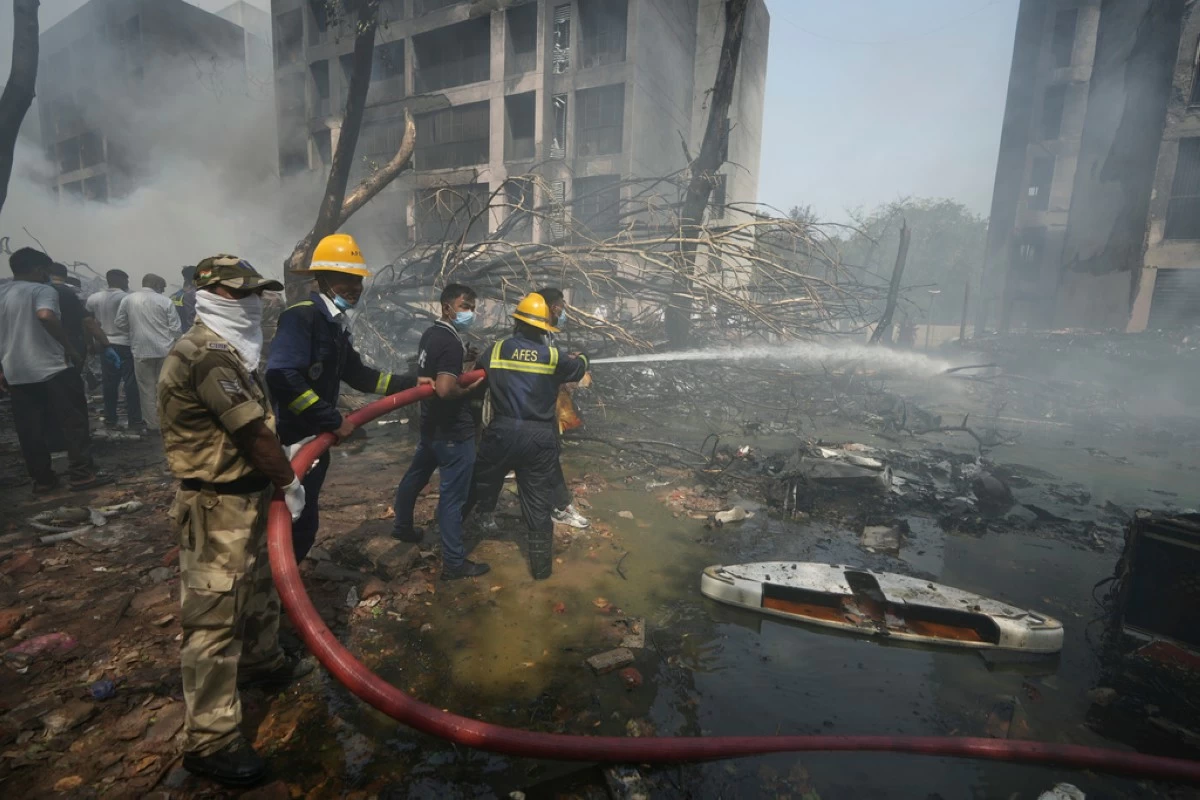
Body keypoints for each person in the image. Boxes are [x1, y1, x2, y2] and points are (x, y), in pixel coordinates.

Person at [158, 255, 310, 787]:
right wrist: (289, 480)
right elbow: (252, 435)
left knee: (259, 587)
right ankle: (211, 741)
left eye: (255, 294)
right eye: (239, 293)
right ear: (209, 293)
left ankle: (263, 662)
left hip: (245, 497)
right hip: (215, 502)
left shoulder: (232, 351)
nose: (251, 303)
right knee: (214, 620)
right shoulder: (205, 355)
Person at [266, 233, 419, 563]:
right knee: (291, 520)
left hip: (315, 439)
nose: (354, 288)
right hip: (291, 440)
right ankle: (272, 591)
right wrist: (332, 418)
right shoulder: (302, 316)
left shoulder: (334, 325)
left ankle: (281, 590)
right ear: (321, 279)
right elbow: (280, 375)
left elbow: (361, 375)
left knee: (305, 520)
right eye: (345, 279)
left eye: (358, 281)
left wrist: (412, 383)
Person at [465, 292, 589, 580]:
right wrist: (584, 356)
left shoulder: (495, 350)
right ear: (545, 328)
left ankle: (447, 546)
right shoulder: (554, 356)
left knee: (475, 486)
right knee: (536, 506)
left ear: (517, 324)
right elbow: (579, 369)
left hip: (501, 434)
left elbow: (475, 384)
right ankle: (541, 573)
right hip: (539, 439)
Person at [391, 283, 487, 579]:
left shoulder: (431, 334)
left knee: (415, 476)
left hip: (430, 426)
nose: (470, 312)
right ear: (447, 307)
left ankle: (402, 527)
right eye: (464, 306)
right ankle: (455, 563)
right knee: (452, 498)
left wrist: (460, 362)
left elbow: (430, 376)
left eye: (472, 307)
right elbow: (445, 389)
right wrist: (468, 387)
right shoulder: (449, 341)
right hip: (454, 432)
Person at [0, 248, 102, 492]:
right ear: (37, 269)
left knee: (30, 429)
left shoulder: (2, 292)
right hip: (52, 367)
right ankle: (81, 474)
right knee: (73, 422)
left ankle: (43, 480)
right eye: (45, 270)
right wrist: (68, 346)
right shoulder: (42, 290)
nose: (47, 275)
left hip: (16, 370)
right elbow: (45, 315)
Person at [535, 287, 590, 530]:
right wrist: (580, 361)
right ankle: (559, 507)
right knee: (548, 458)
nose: (563, 310)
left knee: (542, 459)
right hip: (537, 414)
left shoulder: (541, 335)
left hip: (536, 412)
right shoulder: (538, 337)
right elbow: (552, 366)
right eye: (561, 305)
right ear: (552, 307)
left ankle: (483, 511)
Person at [116, 273, 181, 429]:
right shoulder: (165, 301)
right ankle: (168, 422)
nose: (163, 290)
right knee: (165, 388)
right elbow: (176, 330)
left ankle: (153, 425)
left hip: (141, 351)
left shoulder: (128, 299)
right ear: (157, 285)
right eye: (162, 287)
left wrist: (134, 331)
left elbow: (119, 323)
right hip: (165, 351)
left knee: (146, 390)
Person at [87, 268, 143, 430]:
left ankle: (111, 418)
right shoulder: (127, 298)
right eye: (126, 280)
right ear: (119, 280)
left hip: (106, 345)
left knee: (109, 383)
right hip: (125, 344)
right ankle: (135, 419)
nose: (127, 284)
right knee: (131, 383)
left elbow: (88, 321)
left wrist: (91, 343)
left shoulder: (94, 298)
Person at [172, 265, 197, 330]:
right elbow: (191, 318)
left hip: (180, 331)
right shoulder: (194, 294)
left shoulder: (174, 296)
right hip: (192, 331)